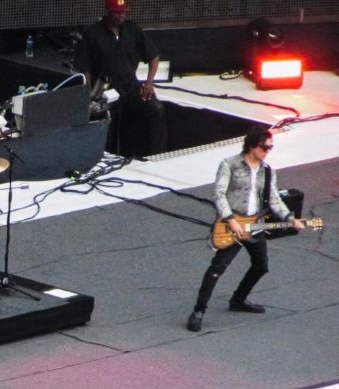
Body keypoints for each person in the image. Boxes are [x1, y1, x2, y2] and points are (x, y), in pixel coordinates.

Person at [187, 128, 304, 332]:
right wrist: (231, 220)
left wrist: (289, 218)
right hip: (232, 224)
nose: (268, 151)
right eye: (264, 147)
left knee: (261, 266)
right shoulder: (229, 164)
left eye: (270, 147)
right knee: (217, 269)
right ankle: (198, 311)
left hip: (255, 225)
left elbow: (274, 199)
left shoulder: (268, 170)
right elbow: (219, 194)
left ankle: (238, 300)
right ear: (251, 145)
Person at [74, 0, 167, 157]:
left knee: (156, 110)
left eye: (124, 11)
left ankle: (156, 155)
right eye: (118, 12)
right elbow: (85, 68)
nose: (122, 15)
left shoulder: (132, 29)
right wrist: (89, 95)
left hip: (130, 87)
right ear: (108, 12)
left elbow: (154, 56)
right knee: (105, 122)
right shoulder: (93, 33)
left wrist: (149, 83)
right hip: (105, 90)